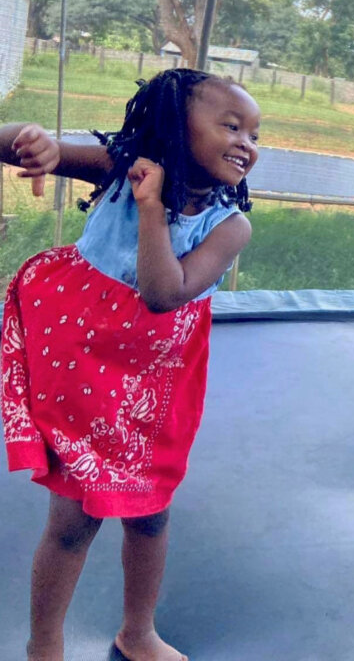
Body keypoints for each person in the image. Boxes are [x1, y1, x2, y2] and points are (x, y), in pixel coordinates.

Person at [1, 68, 259, 661]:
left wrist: (150, 209)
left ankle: (137, 630)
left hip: (155, 375)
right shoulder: (123, 166)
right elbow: (9, 142)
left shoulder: (229, 225)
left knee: (150, 511)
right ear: (174, 127)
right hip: (81, 355)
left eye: (254, 133)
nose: (248, 142)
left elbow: (164, 293)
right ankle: (44, 645)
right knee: (73, 521)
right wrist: (34, 141)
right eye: (231, 125)